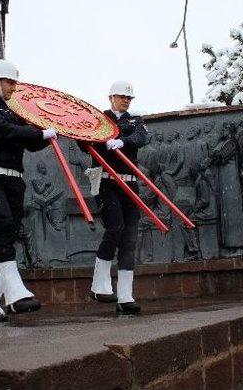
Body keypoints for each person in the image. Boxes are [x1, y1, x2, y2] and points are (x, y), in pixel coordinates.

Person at [0, 59, 57, 322]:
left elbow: (29, 142)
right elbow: (4, 131)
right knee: (4, 226)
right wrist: (38, 134)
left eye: (15, 82)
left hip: (14, 179)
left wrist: (49, 134)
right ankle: (15, 292)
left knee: (7, 236)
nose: (13, 87)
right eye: (10, 82)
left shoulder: (14, 110)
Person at [86, 81, 148, 314]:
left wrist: (122, 140)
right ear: (111, 97)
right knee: (115, 228)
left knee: (129, 239)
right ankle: (99, 284)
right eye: (122, 96)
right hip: (106, 181)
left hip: (129, 182)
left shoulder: (135, 120)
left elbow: (141, 137)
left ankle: (125, 295)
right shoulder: (99, 118)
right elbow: (86, 143)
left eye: (128, 98)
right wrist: (102, 139)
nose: (126, 100)